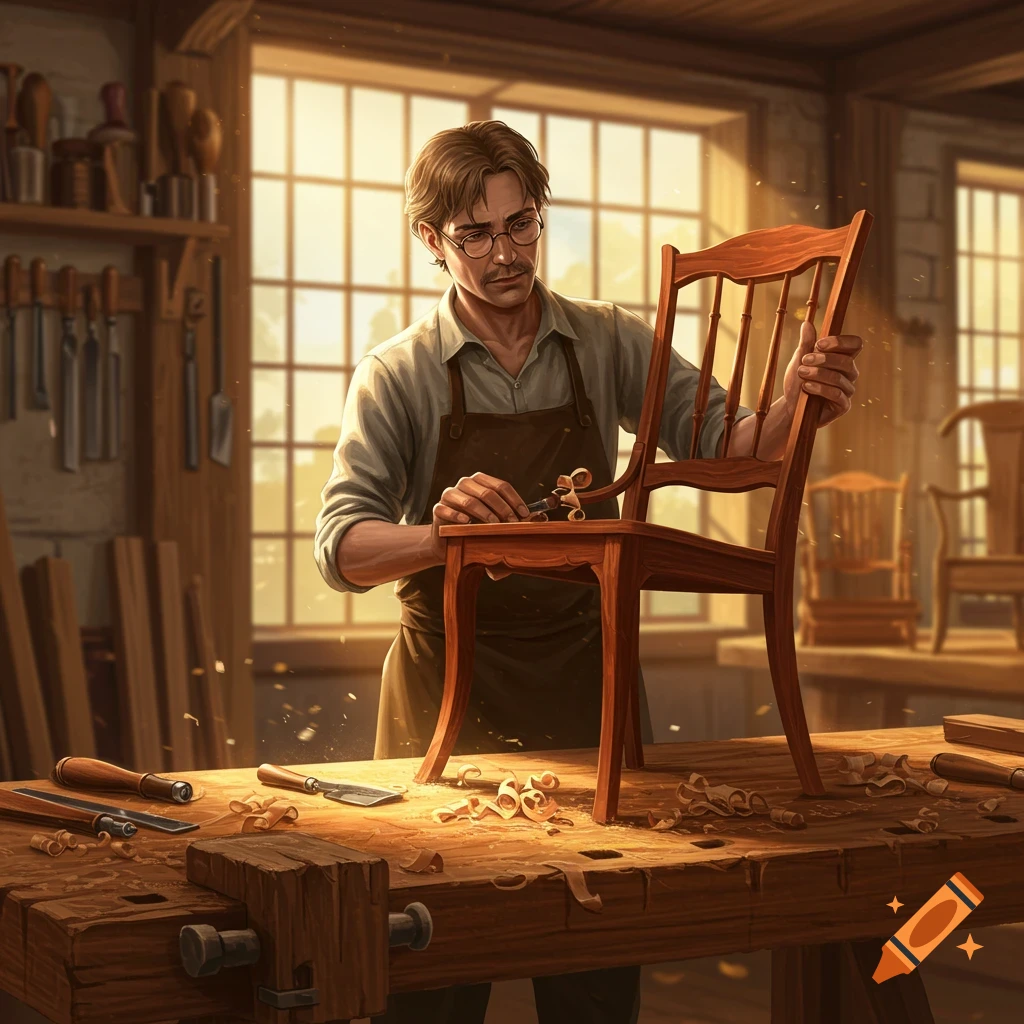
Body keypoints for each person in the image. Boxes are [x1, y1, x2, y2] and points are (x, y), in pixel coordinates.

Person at [314, 120, 862, 1024]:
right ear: (429, 242)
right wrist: (441, 536)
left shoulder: (606, 341)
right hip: (444, 698)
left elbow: (728, 444)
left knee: (596, 969)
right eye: (475, 235)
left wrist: (801, 401)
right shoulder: (398, 373)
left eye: (521, 225)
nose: (504, 254)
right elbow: (340, 547)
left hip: (586, 689)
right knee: (434, 975)